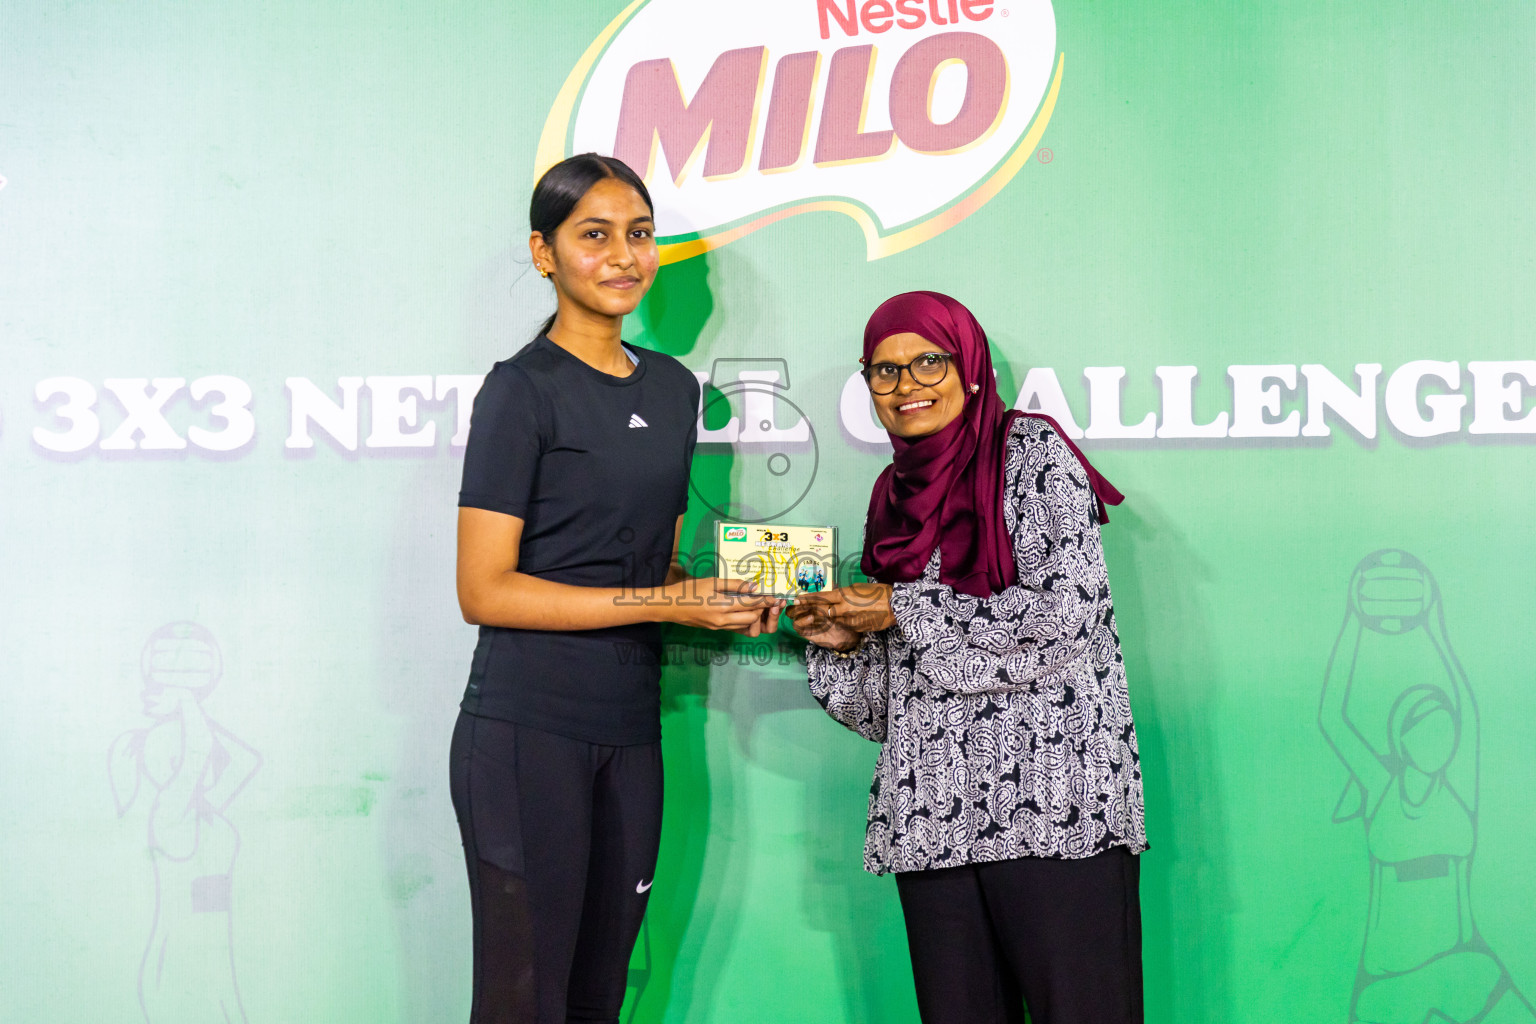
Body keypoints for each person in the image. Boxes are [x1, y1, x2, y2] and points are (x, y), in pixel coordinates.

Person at [451, 153, 780, 1024]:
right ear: (544, 252)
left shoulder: (675, 391)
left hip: (630, 733)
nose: (624, 255)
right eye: (593, 235)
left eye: (640, 235)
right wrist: (665, 603)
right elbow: (484, 591)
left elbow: (649, 571)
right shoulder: (519, 391)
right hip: (527, 733)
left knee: (603, 995)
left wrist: (720, 591)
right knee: (526, 1001)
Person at [790, 291, 1148, 1024]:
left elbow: (1065, 617)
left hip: (1055, 810)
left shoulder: (1032, 453)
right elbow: (891, 707)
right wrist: (841, 645)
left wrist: (901, 608)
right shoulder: (892, 494)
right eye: (883, 372)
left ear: (971, 368)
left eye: (928, 360)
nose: (906, 385)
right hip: (934, 822)